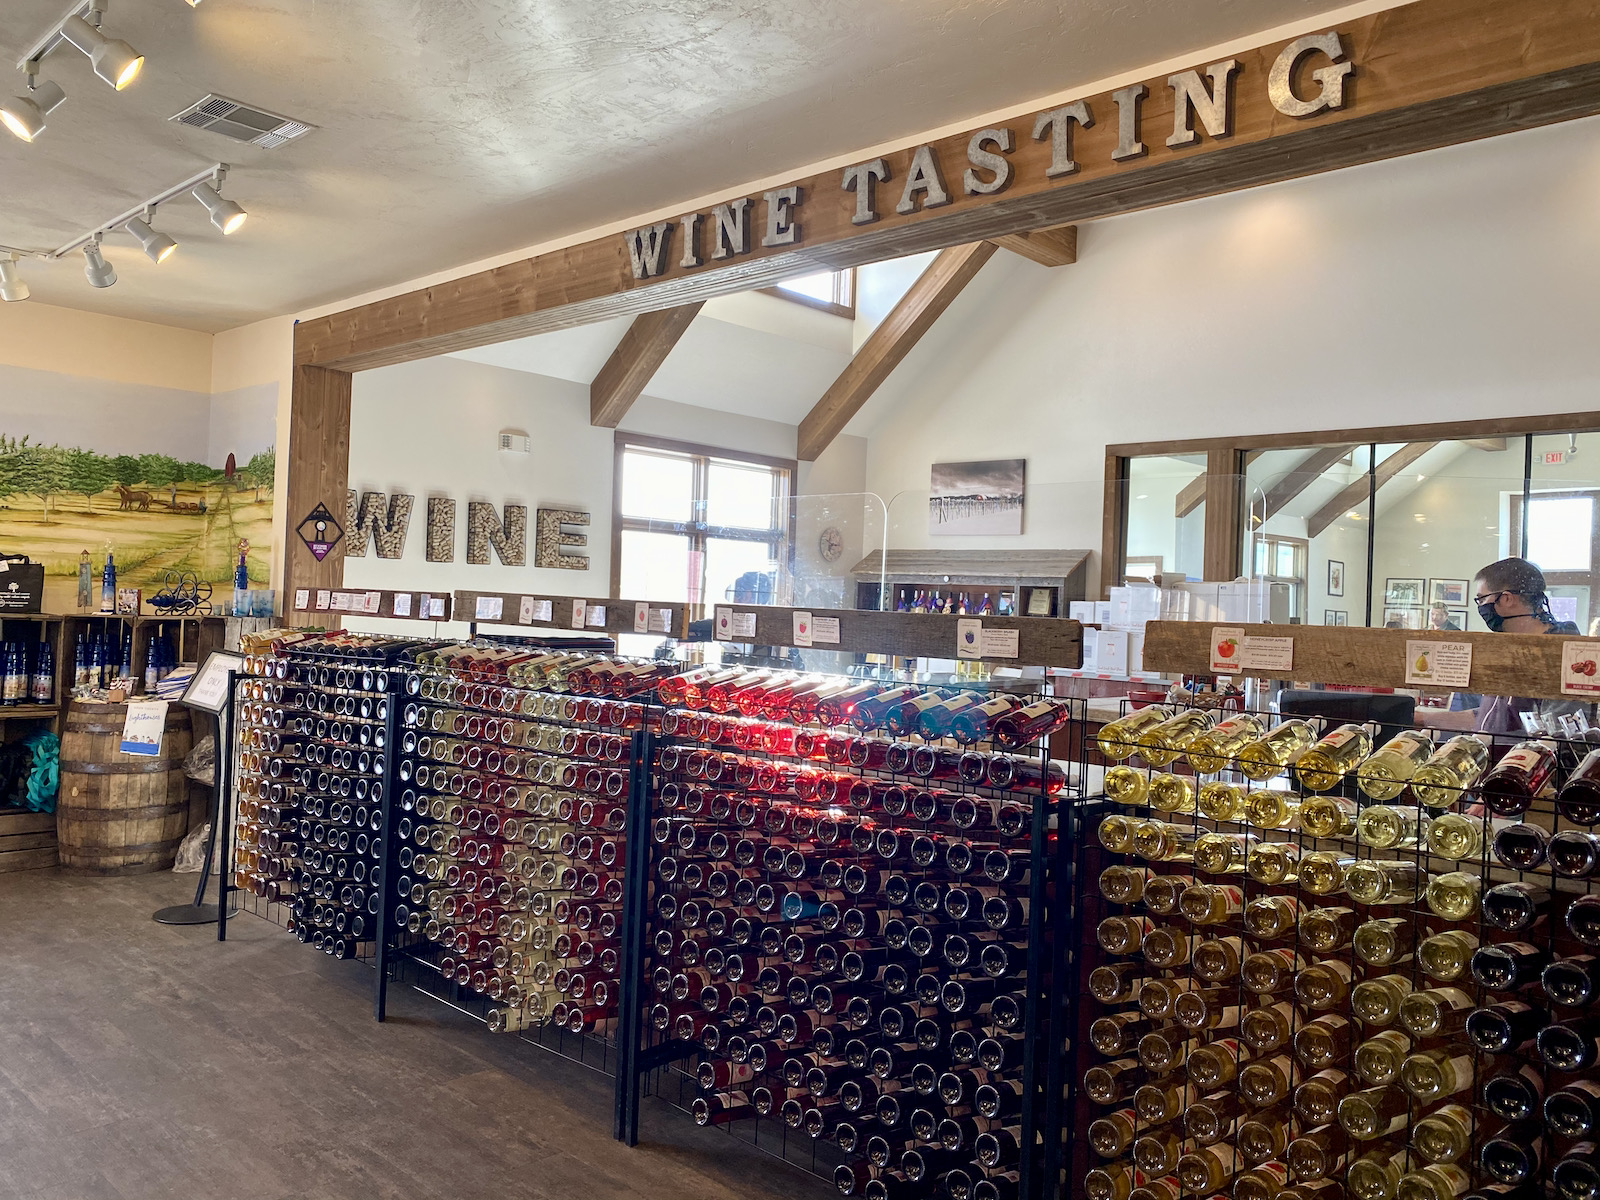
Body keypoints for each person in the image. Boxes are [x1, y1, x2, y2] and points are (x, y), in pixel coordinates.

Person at [1421, 556, 1584, 732]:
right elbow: (1491, 719)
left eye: (1481, 599)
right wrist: (1423, 718)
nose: (1481, 607)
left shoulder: (1561, 653)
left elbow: (1559, 732)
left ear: (1506, 599)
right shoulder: (1513, 648)